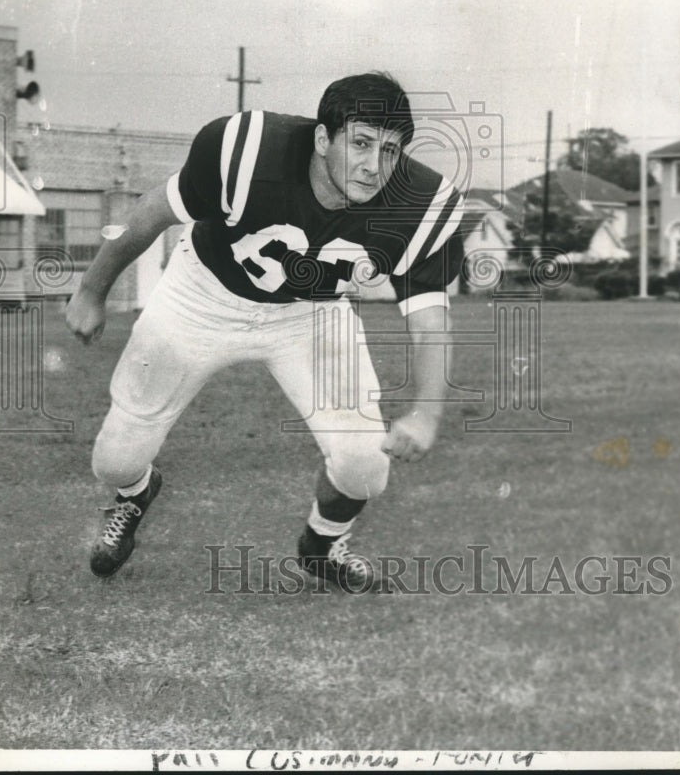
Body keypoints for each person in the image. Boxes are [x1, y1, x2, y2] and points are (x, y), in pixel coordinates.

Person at [66, 72, 465, 591]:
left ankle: (322, 544)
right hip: (203, 294)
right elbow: (151, 213)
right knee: (115, 460)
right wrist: (92, 290)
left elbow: (431, 318)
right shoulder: (248, 149)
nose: (374, 166)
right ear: (324, 139)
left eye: (390, 150)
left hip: (311, 313)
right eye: (361, 143)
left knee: (366, 464)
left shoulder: (420, 205)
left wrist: (428, 414)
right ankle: (136, 493)